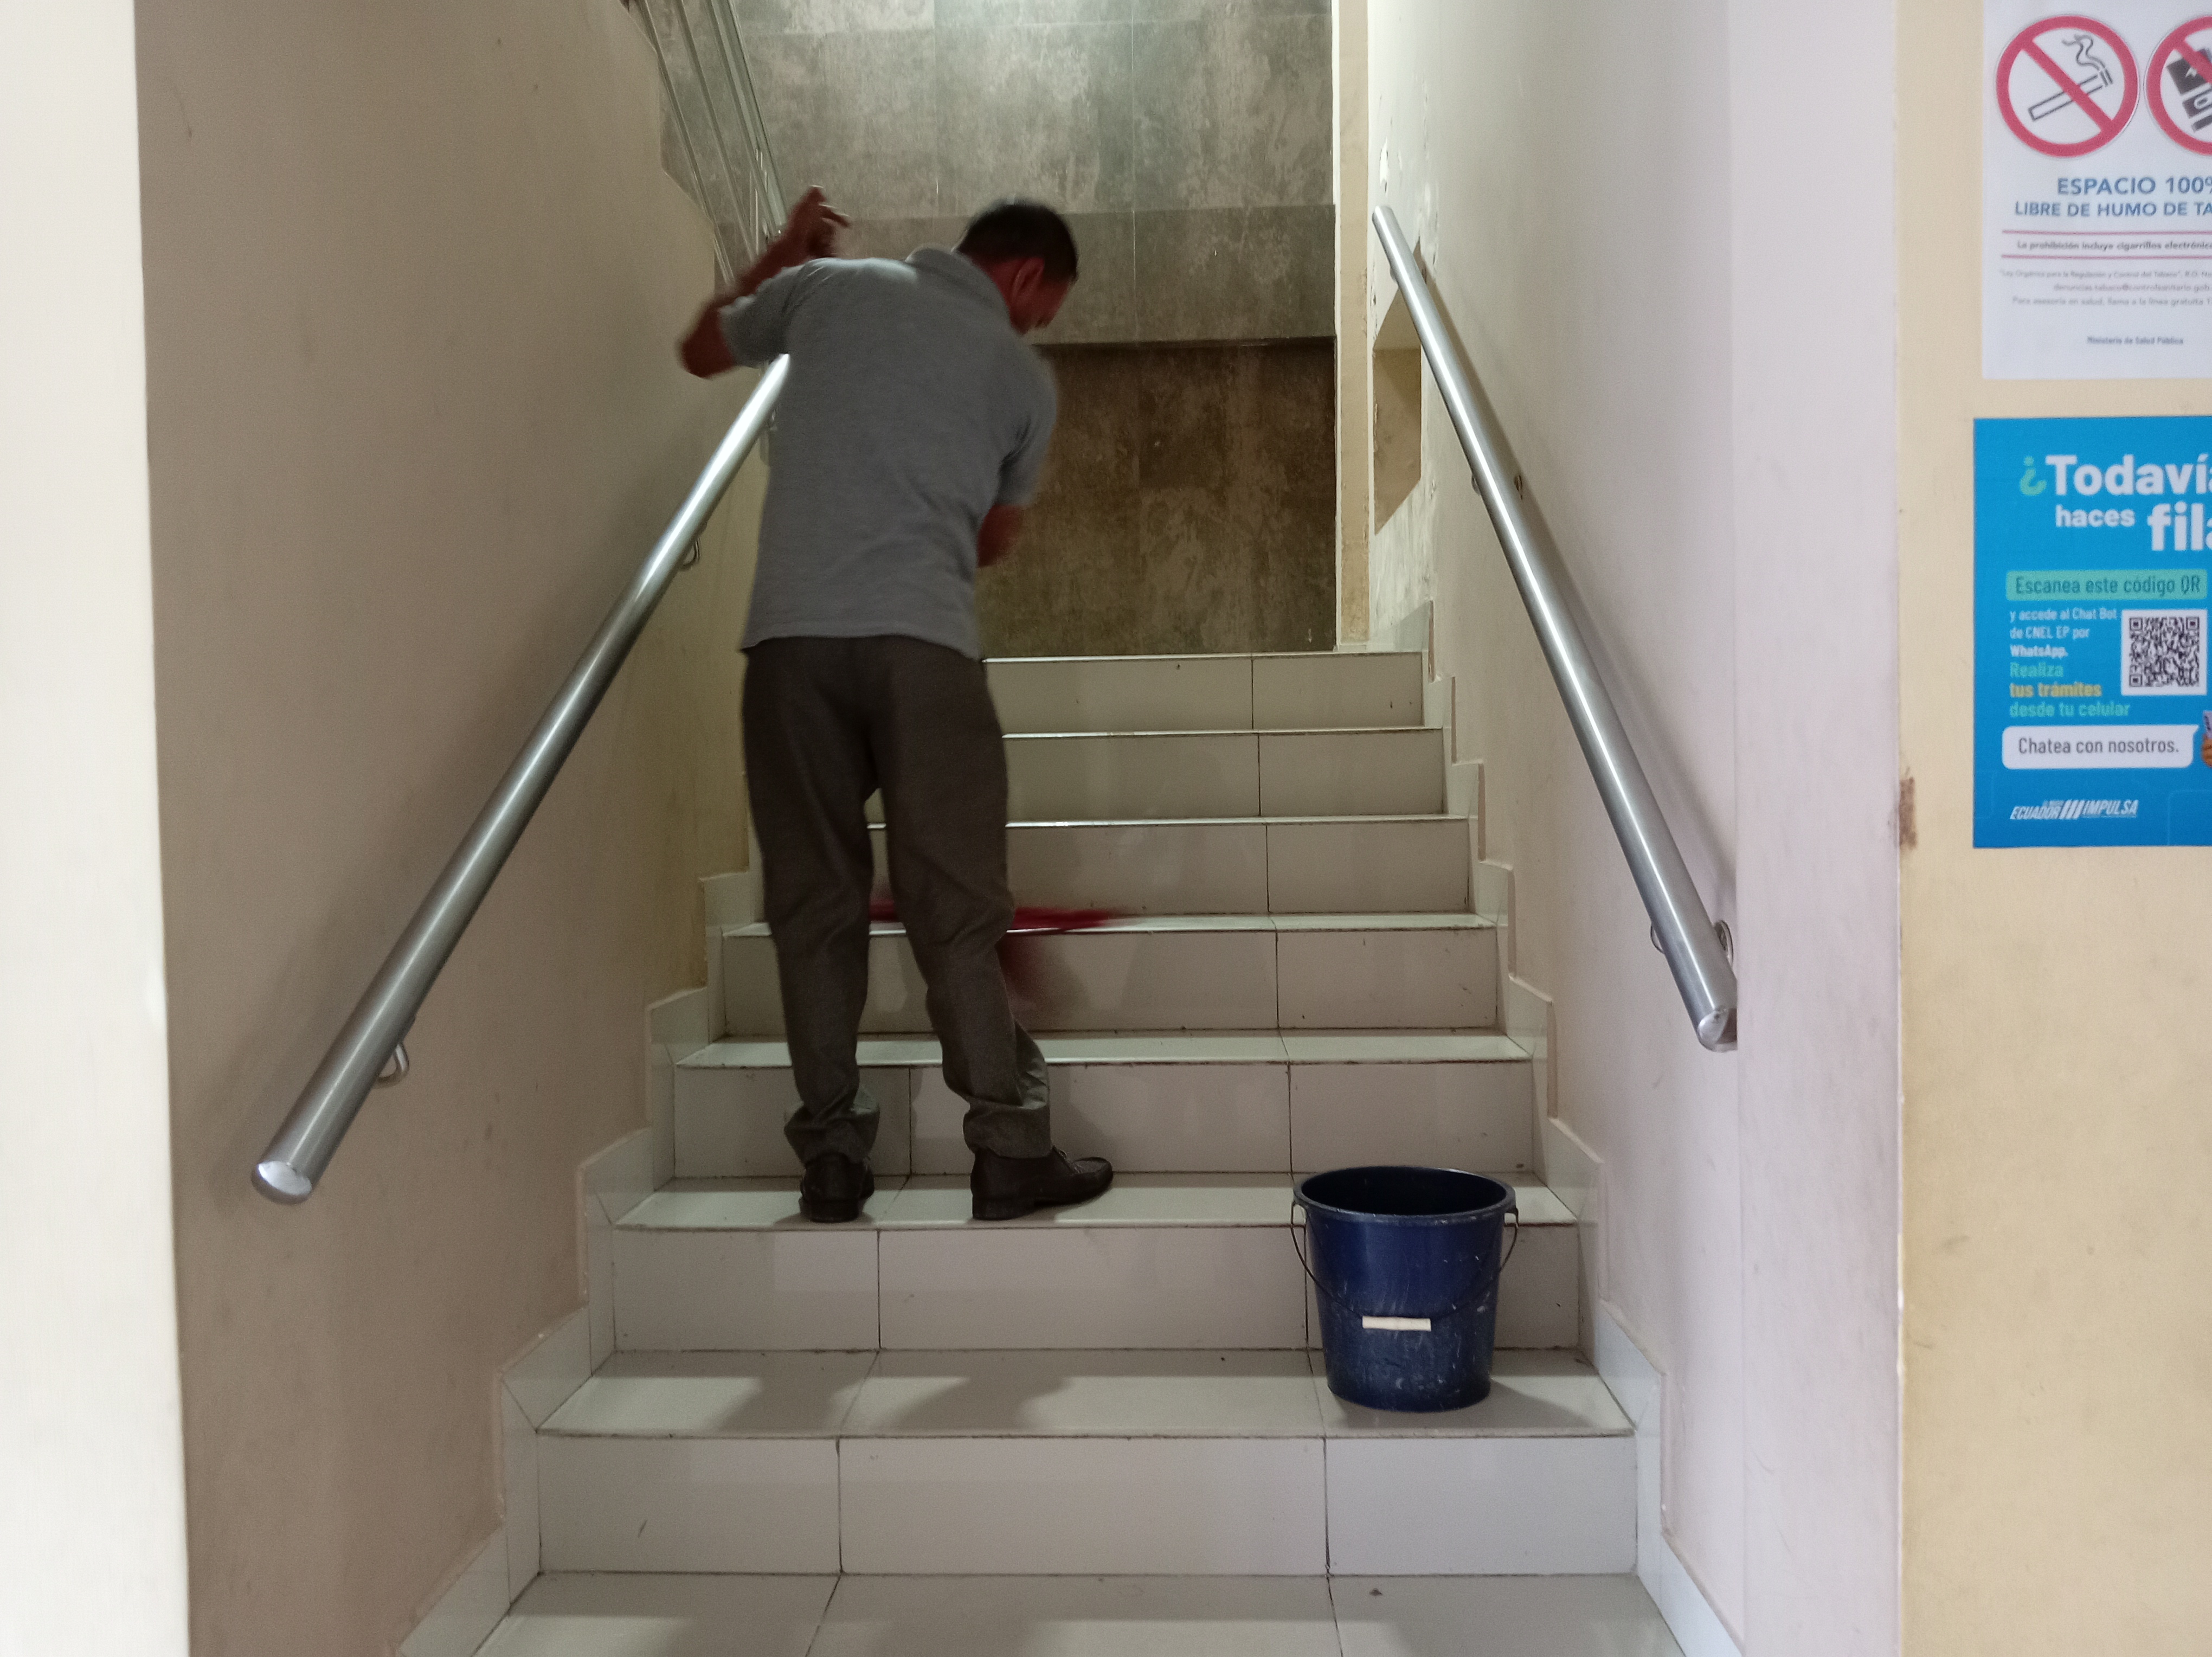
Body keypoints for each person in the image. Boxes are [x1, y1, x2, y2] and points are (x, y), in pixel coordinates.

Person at [679, 189, 1115, 1225]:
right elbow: (992, 541)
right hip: (924, 650)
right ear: (1024, 276)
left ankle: (833, 1160)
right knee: (956, 912)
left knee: (812, 909)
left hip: (791, 647)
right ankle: (1007, 1152)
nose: (1034, 327)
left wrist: (780, 252)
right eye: (1042, 307)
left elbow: (700, 350)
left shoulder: (825, 290)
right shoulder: (1022, 378)